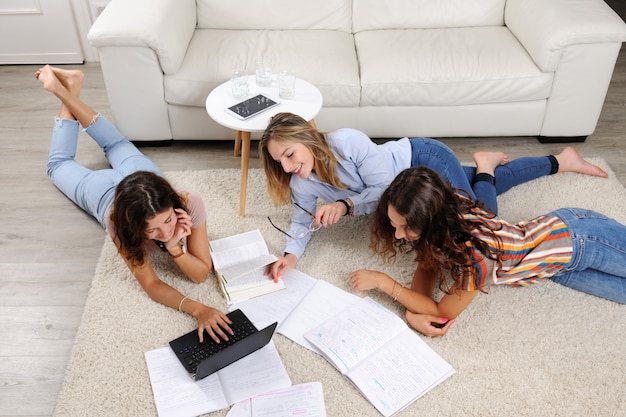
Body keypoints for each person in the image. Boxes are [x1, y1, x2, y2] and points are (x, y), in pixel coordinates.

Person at [259, 112, 608, 281]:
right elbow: (301, 220)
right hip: (409, 192)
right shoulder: (302, 184)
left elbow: (382, 192)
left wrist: (345, 204)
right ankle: (561, 160)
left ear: (307, 138)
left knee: (480, 219)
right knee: (488, 186)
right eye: (280, 162)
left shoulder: (346, 142)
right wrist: (290, 256)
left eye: (290, 154)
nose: (288, 166)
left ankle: (485, 165)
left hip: (423, 160)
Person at [35, 65, 232, 343]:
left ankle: (70, 87)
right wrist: (197, 309)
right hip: (104, 193)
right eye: (151, 231)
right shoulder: (118, 222)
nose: (164, 233)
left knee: (115, 144)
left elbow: (200, 275)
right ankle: (66, 90)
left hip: (141, 175)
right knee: (57, 166)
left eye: (167, 221)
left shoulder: (189, 202)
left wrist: (175, 247)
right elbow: (150, 283)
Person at [349, 166, 626, 337]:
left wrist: (385, 284)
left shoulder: (475, 258)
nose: (398, 235)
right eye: (395, 225)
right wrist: (412, 312)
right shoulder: (440, 222)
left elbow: (441, 311)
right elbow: (427, 269)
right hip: (556, 267)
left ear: (430, 220)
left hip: (581, 238)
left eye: (406, 228)